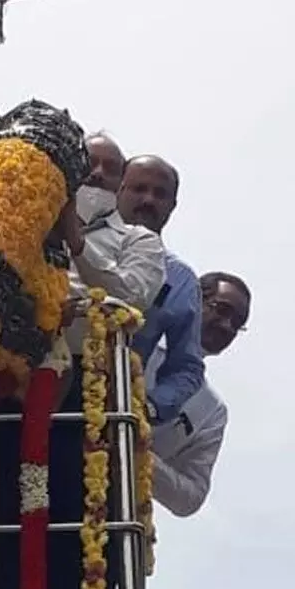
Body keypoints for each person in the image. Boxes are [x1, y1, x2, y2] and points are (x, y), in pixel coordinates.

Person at [0, 133, 166, 589]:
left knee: (73, 515)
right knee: (2, 505)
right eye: (87, 163)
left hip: (87, 397)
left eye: (109, 168)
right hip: (14, 381)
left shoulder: (139, 242)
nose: (95, 173)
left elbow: (130, 296)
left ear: (121, 182)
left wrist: (75, 241)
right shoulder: (27, 219)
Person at [146, 271, 251, 517]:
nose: (227, 326)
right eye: (222, 310)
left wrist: (140, 458)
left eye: (237, 324)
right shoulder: (137, 335)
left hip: (109, 512)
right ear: (194, 299)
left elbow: (190, 498)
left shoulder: (211, 410)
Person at [118, 155, 205, 425]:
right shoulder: (76, 244)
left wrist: (151, 408)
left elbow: (187, 366)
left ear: (172, 206)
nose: (148, 201)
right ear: (118, 190)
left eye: (160, 194)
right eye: (139, 189)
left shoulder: (180, 279)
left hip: (113, 419)